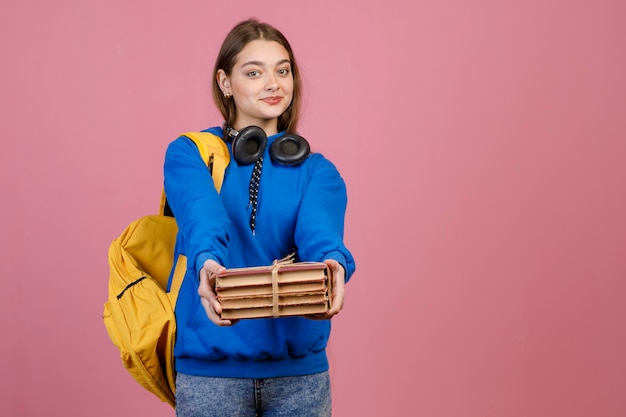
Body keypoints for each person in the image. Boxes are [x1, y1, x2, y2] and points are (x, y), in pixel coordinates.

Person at [163, 18, 356, 417]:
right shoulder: (188, 154)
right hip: (209, 378)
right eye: (254, 72)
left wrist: (333, 265)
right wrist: (207, 263)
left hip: (299, 379)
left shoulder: (319, 171)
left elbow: (320, 232)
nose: (273, 83)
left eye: (282, 70)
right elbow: (203, 215)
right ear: (225, 82)